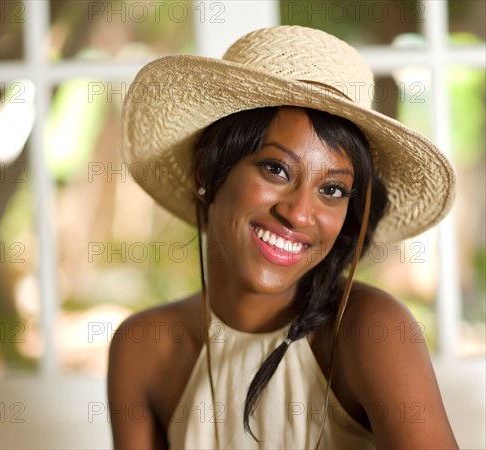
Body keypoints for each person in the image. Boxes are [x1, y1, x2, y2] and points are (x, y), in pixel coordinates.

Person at [108, 25, 459, 449]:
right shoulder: (144, 348)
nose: (298, 213)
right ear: (207, 170)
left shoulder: (371, 331)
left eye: (332, 189)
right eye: (276, 169)